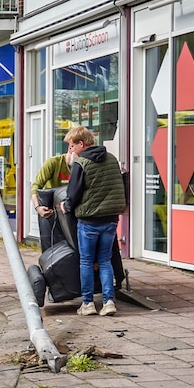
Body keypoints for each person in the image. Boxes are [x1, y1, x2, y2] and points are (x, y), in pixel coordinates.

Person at [61, 126, 127, 317]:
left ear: (81, 144)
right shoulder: (112, 159)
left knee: (87, 262)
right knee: (105, 261)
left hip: (89, 220)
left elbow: (73, 194)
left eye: (72, 146)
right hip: (110, 219)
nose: (70, 150)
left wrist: (66, 206)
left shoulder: (80, 163)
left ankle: (88, 304)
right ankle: (108, 302)